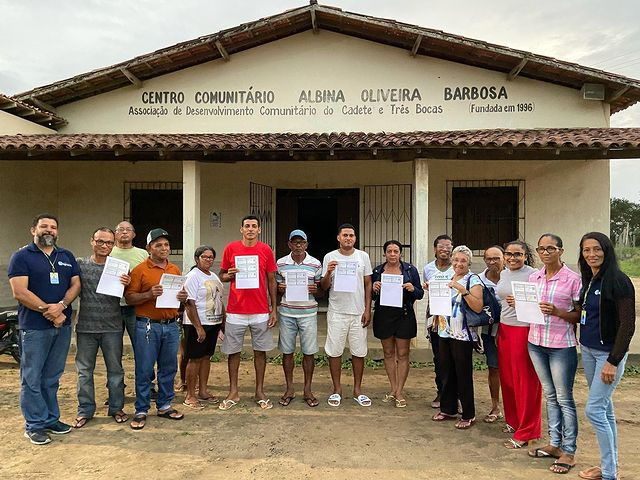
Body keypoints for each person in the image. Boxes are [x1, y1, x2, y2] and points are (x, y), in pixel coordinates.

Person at [8, 214, 81, 445]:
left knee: (52, 377)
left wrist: (61, 307)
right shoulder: (21, 256)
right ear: (33, 230)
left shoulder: (66, 256)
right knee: (32, 378)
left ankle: (51, 419)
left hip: (62, 325)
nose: (49, 230)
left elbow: (76, 284)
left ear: (57, 231)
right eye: (44, 226)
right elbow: (19, 292)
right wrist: (47, 310)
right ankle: (34, 425)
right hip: (35, 328)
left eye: (53, 227)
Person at [576, 232, 635, 480]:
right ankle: (609, 467)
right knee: (605, 409)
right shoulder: (590, 279)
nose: (592, 254)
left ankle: (610, 474)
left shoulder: (619, 281)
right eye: (586, 250)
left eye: (597, 249)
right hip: (588, 351)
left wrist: (613, 360)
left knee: (594, 410)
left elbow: (627, 324)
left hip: (607, 355)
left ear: (607, 250)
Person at [527, 233, 581, 474]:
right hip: (536, 342)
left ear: (561, 250)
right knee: (549, 396)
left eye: (551, 248)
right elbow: (528, 308)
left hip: (561, 345)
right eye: (541, 249)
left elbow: (580, 315)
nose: (546, 252)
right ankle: (554, 444)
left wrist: (559, 312)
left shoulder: (573, 280)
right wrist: (517, 302)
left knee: (564, 399)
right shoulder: (534, 277)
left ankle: (569, 451)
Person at [124, 228, 187, 429]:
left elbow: (178, 299)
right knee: (144, 368)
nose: (163, 248)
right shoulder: (140, 270)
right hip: (148, 325)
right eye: (158, 245)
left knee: (168, 367)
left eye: (166, 244)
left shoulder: (174, 270)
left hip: (170, 326)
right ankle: (141, 409)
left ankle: (165, 405)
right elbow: (130, 297)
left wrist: (182, 299)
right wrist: (149, 294)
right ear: (149, 248)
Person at [218, 215, 278, 411]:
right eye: (247, 226)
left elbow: (271, 281)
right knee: (233, 352)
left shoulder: (266, 250)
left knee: (260, 352)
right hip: (236, 310)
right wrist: (230, 274)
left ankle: (259, 391)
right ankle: (233, 391)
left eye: (254, 226)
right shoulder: (231, 248)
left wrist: (273, 308)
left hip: (260, 310)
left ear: (259, 230)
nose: (250, 229)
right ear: (241, 229)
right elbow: (222, 276)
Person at [74, 227, 131, 428]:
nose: (105, 246)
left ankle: (116, 408)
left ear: (113, 244)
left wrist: (128, 283)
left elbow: (129, 295)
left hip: (113, 327)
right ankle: (85, 410)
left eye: (109, 242)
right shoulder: (79, 265)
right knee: (84, 371)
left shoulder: (121, 268)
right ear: (92, 241)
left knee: (115, 371)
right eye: (100, 241)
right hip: (85, 327)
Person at [321, 223, 373, 407]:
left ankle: (358, 390)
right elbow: (324, 287)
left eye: (351, 235)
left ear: (355, 238)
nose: (348, 238)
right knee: (334, 352)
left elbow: (368, 284)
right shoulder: (330, 257)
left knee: (359, 352)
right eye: (345, 235)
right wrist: (328, 272)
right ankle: (337, 390)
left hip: (358, 312)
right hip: (337, 312)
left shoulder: (363, 257)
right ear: (338, 238)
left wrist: (368, 309)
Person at [496, 241, 541, 449]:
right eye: (509, 254)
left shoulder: (534, 275)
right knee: (508, 379)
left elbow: (541, 302)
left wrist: (522, 304)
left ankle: (528, 430)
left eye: (518, 254)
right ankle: (514, 422)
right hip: (505, 329)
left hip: (523, 330)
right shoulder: (504, 273)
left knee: (526, 381)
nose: (513, 258)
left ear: (526, 256)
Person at [431, 245, 482, 429]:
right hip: (445, 331)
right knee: (446, 371)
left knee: (463, 374)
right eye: (456, 260)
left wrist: (462, 289)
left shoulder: (473, 280)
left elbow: (477, 306)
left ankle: (469, 413)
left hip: (463, 334)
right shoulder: (448, 277)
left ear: (469, 263)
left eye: (463, 261)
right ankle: (449, 408)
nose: (458, 263)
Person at [371, 240, 423, 407]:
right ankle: (393, 388)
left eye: (395, 251)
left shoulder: (409, 270)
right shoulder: (378, 271)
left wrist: (412, 288)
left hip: (404, 315)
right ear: (384, 253)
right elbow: (371, 295)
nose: (392, 254)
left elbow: (420, 293)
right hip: (384, 315)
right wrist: (374, 287)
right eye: (389, 251)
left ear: (400, 253)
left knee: (402, 354)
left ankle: (400, 391)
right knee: (388, 353)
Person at [275, 229, 322, 407]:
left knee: (309, 352)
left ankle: (307, 390)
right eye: (295, 242)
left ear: (306, 245)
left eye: (301, 242)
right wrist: (280, 288)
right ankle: (289, 388)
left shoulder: (315, 264)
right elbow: (276, 287)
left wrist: (315, 290)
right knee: (287, 352)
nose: (298, 246)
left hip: (308, 313)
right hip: (287, 312)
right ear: (289, 244)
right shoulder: (281, 263)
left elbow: (321, 288)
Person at [110, 221, 155, 396]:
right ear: (115, 234)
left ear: (134, 234)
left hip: (136, 307)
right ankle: (116, 389)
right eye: (120, 229)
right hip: (112, 307)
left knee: (143, 349)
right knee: (113, 351)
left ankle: (147, 387)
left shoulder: (143, 254)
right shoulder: (109, 252)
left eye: (128, 229)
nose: (124, 232)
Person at [182, 246, 225, 409]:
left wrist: (223, 320)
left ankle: (203, 391)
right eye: (204, 257)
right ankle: (190, 395)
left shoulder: (213, 276)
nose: (208, 260)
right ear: (197, 259)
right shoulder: (193, 276)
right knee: (195, 358)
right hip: (197, 324)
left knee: (206, 357)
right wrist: (198, 327)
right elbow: (189, 303)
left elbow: (219, 299)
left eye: (211, 257)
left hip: (213, 323)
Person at [422, 234, 454, 408]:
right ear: (435, 249)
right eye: (441, 246)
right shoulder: (428, 269)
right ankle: (441, 392)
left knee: (453, 357)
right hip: (435, 319)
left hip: (453, 318)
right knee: (439, 357)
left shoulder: (457, 268)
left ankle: (454, 394)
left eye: (448, 246)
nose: (445, 249)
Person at [478, 246, 504, 424]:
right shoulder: (478, 280)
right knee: (493, 368)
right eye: (489, 258)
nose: (493, 262)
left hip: (513, 330)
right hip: (489, 331)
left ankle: (514, 407)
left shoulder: (513, 277)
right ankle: (495, 406)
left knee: (513, 370)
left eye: (497, 258)